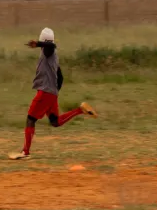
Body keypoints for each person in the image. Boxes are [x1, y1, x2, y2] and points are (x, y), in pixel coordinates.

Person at [10, 27, 97, 160]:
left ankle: (25, 152)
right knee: (55, 122)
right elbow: (60, 77)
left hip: (45, 93)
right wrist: (54, 93)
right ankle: (80, 110)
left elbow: (51, 45)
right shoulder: (53, 57)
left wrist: (38, 44)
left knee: (30, 119)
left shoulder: (48, 50)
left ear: (42, 41)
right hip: (51, 93)